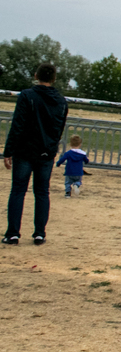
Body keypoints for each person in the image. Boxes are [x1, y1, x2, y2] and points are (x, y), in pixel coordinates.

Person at [2, 63, 68, 246]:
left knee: (18, 191)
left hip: (25, 150)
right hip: (46, 152)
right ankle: (40, 233)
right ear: (54, 78)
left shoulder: (27, 96)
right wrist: (51, 147)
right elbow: (59, 128)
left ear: (36, 75)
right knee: (42, 192)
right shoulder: (61, 101)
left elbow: (18, 124)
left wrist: (9, 150)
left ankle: (13, 233)